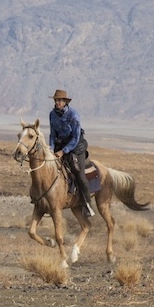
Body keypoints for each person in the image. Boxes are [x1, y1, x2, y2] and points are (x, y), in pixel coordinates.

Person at [48, 89, 95, 218]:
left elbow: (75, 137)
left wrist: (63, 151)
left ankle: (87, 204)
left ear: (65, 102)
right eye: (56, 100)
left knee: (78, 172)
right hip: (60, 146)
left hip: (75, 147)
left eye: (60, 100)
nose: (57, 102)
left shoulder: (73, 115)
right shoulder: (52, 114)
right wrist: (51, 150)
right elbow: (52, 134)